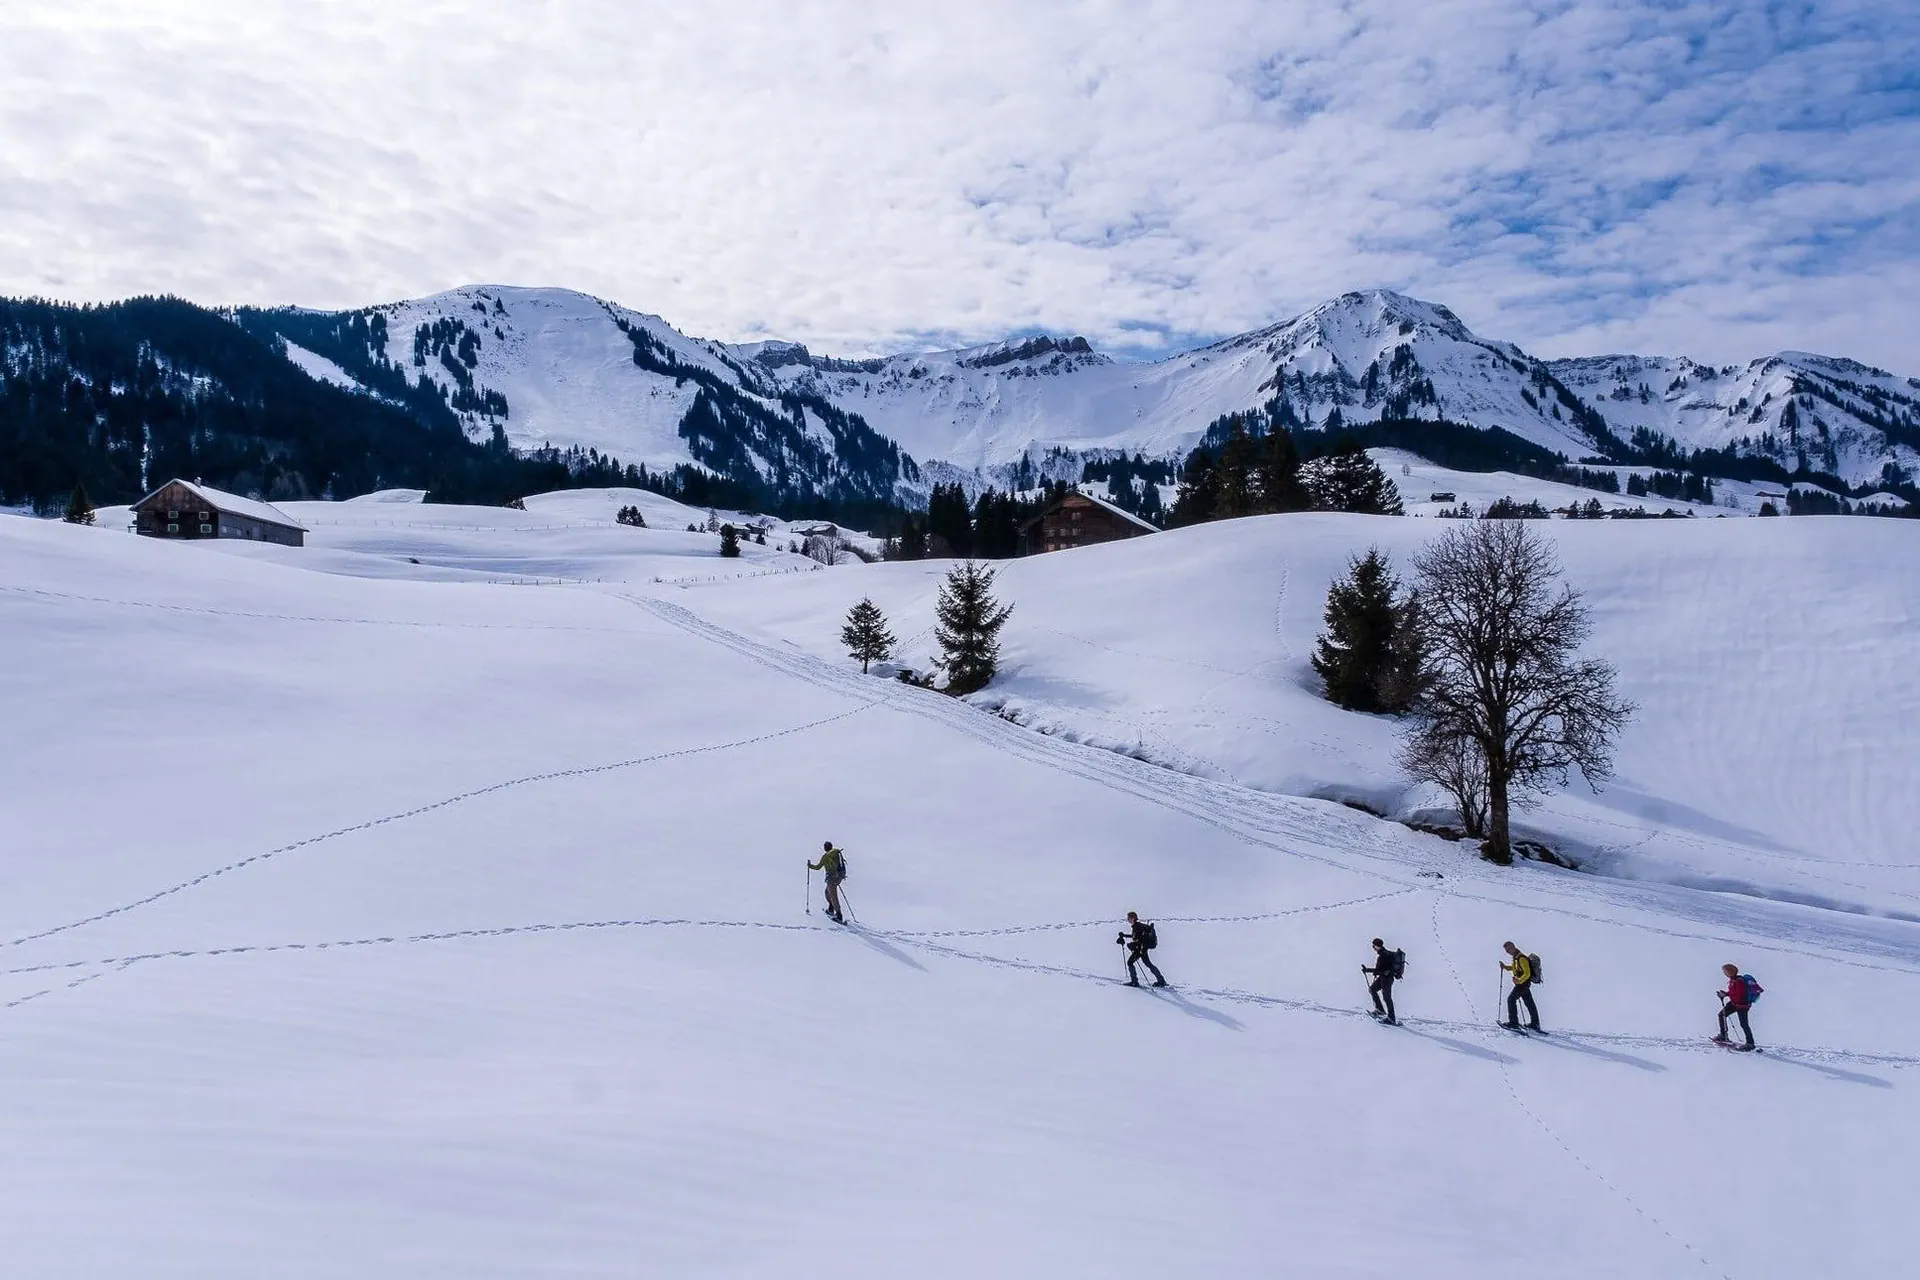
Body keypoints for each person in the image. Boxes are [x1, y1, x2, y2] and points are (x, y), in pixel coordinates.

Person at [1714, 963, 1758, 1051]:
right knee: (1721, 1015)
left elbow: (1739, 995)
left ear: (1730, 972)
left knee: (1744, 1024)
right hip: (1735, 1004)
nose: (1724, 973)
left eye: (1725, 971)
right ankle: (1723, 1035)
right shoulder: (1733, 980)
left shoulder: (1739, 981)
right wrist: (1726, 994)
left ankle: (1750, 1043)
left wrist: (1726, 995)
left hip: (1742, 1005)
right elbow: (1734, 993)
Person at [1117, 911, 1166, 987]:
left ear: (1133, 918)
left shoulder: (1137, 926)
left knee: (1130, 962)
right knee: (1148, 964)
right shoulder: (1137, 926)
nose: (1127, 919)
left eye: (1128, 918)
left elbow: (1141, 939)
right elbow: (1136, 937)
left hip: (1140, 949)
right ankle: (1161, 980)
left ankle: (1134, 982)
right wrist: (1124, 935)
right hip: (1142, 949)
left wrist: (1134, 946)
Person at [1499, 941, 1540, 1031]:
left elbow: (1527, 973)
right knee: (1529, 1003)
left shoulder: (1521, 958)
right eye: (1506, 950)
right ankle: (1535, 1024)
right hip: (1523, 984)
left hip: (1522, 984)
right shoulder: (1516, 957)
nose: (1508, 952)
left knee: (1511, 999)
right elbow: (1515, 968)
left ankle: (1514, 1023)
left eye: (1509, 949)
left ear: (1513, 947)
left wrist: (1519, 980)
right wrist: (1505, 967)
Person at [1363, 938, 1401, 1024]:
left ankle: (1391, 1018)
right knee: (1372, 989)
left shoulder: (1383, 955)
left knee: (1387, 998)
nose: (1373, 947)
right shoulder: (1385, 953)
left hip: (1386, 979)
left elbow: (1378, 970)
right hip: (1383, 978)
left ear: (1377, 946)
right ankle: (1380, 1010)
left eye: (1374, 946)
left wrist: (1367, 970)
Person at [808, 841, 847, 923]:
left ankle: (839, 915)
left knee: (833, 896)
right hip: (838, 877)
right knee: (827, 892)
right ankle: (831, 908)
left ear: (825, 848)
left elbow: (818, 867)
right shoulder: (836, 853)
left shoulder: (826, 856)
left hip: (831, 878)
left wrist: (810, 866)